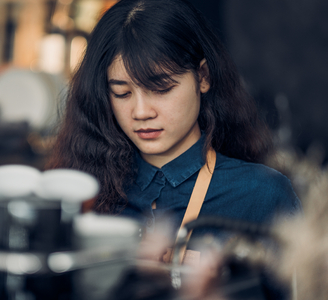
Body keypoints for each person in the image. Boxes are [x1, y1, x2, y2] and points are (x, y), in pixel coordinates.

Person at [47, 0, 300, 269]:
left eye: (161, 88)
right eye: (122, 93)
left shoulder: (262, 195)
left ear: (202, 77)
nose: (141, 112)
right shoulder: (84, 195)